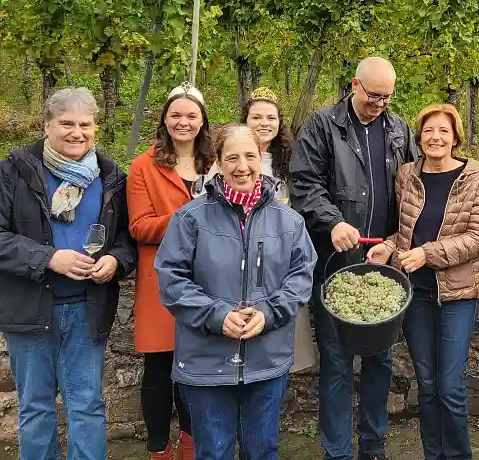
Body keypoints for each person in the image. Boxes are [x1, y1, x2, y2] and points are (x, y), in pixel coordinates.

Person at [155, 125, 316, 460]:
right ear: (218, 162)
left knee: (262, 451)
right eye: (232, 157)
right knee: (213, 452)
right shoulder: (190, 217)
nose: (242, 165)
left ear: (262, 159)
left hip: (266, 359)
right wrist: (217, 316)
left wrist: (269, 313)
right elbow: (172, 278)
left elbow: (301, 277)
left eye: (249, 156)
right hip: (205, 360)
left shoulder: (289, 221)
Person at [290, 56, 417, 460]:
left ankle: (374, 447)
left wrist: (398, 240)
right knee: (337, 362)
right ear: (354, 85)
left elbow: (413, 189)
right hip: (337, 263)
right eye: (375, 95)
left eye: (388, 96)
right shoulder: (321, 125)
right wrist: (332, 222)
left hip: (383, 264)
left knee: (380, 360)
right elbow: (304, 184)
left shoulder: (399, 129)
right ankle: (337, 450)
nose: (381, 103)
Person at [0, 87, 137, 460]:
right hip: (28, 311)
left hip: (87, 309)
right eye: (66, 124)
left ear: (95, 128)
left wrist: (117, 262)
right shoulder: (12, 172)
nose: (77, 132)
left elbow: (127, 236)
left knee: (87, 405)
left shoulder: (110, 177)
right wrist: (48, 258)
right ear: (47, 127)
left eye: (85, 124)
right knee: (35, 409)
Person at [366, 104, 479, 460]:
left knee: (450, 386)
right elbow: (404, 232)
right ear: (419, 137)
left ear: (456, 139)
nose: (436, 137)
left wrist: (427, 253)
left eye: (444, 131)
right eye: (429, 131)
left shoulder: (474, 178)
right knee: (428, 385)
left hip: (457, 295)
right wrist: (387, 249)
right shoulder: (407, 175)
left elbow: (478, 238)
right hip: (415, 293)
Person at [127, 83, 214, 460]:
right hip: (162, 278)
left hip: (210, 277)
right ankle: (158, 449)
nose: (183, 122)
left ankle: (191, 446)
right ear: (164, 118)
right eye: (176, 114)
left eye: (191, 115)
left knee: (197, 370)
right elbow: (140, 227)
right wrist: (186, 219)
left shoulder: (215, 162)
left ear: (202, 121)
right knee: (159, 368)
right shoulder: (144, 165)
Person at [241, 87, 315, 374]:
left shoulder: (290, 162)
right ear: (245, 120)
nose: (264, 123)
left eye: (271, 117)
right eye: (256, 116)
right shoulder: (231, 159)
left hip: (281, 258)